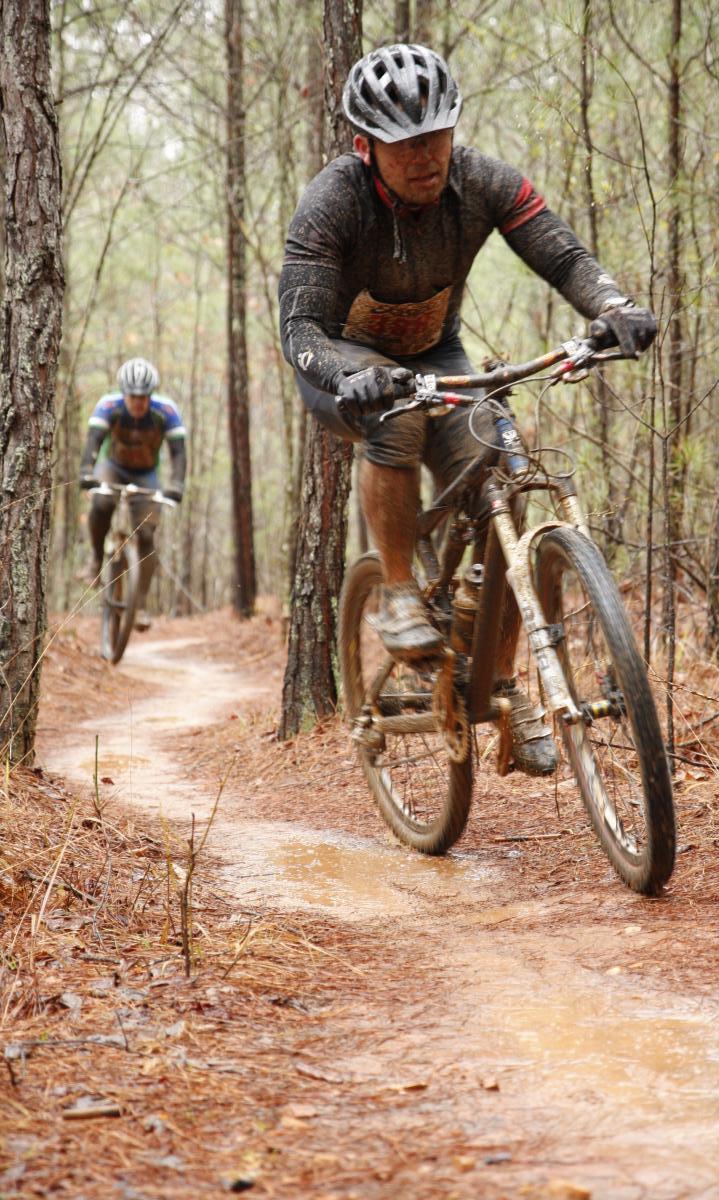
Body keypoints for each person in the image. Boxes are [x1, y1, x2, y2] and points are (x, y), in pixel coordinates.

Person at [278, 43, 656, 776]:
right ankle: (393, 592)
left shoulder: (483, 181)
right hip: (344, 367)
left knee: (508, 472)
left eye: (437, 136)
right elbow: (299, 330)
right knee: (396, 413)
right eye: (404, 144)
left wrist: (614, 306)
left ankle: (506, 686)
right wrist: (343, 375)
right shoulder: (331, 204)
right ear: (366, 148)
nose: (425, 156)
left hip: (439, 360)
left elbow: (564, 256)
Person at [78, 357, 186, 630]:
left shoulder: (166, 411)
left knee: (147, 534)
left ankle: (139, 606)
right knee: (102, 504)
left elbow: (178, 452)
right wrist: (87, 473)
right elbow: (94, 440)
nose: (138, 402)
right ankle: (94, 559)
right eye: (133, 396)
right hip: (112, 467)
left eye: (143, 397)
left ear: (151, 395)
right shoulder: (109, 406)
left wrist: (176, 486)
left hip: (146, 474)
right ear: (124, 393)